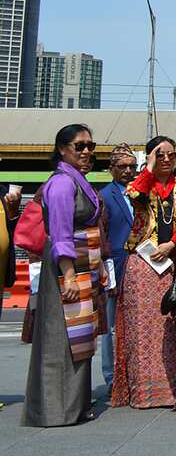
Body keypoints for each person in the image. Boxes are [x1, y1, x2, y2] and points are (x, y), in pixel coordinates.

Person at [23, 125, 107, 427]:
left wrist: (98, 266)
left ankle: (75, 405)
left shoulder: (78, 179)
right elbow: (60, 234)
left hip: (84, 265)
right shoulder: (60, 183)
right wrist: (69, 275)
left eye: (90, 146)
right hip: (65, 269)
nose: (86, 152)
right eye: (79, 146)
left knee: (81, 338)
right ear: (62, 149)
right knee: (61, 337)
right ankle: (56, 409)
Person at [111, 134, 176, 410]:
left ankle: (171, 391)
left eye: (170, 154)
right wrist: (149, 167)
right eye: (160, 154)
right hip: (142, 264)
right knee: (141, 329)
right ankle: (144, 393)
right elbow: (135, 196)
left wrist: (172, 244)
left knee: (171, 329)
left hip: (172, 262)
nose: (166, 159)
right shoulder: (140, 185)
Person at [98, 143, 137, 391]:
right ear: (111, 169)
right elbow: (101, 236)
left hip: (141, 265)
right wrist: (104, 269)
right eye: (122, 166)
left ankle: (135, 373)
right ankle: (112, 378)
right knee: (111, 327)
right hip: (115, 264)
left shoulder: (142, 193)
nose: (128, 170)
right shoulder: (104, 196)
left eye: (132, 166)